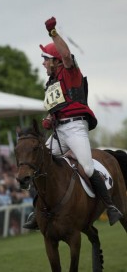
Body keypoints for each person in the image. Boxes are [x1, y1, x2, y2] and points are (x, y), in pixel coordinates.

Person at [23, 16, 123, 230]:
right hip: (60, 131)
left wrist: (53, 33)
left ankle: (111, 206)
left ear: (55, 60)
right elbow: (58, 107)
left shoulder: (69, 71)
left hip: (75, 128)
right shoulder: (51, 82)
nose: (43, 63)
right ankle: (36, 211)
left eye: (45, 58)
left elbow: (67, 54)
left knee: (87, 167)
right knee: (39, 164)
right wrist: (50, 119)